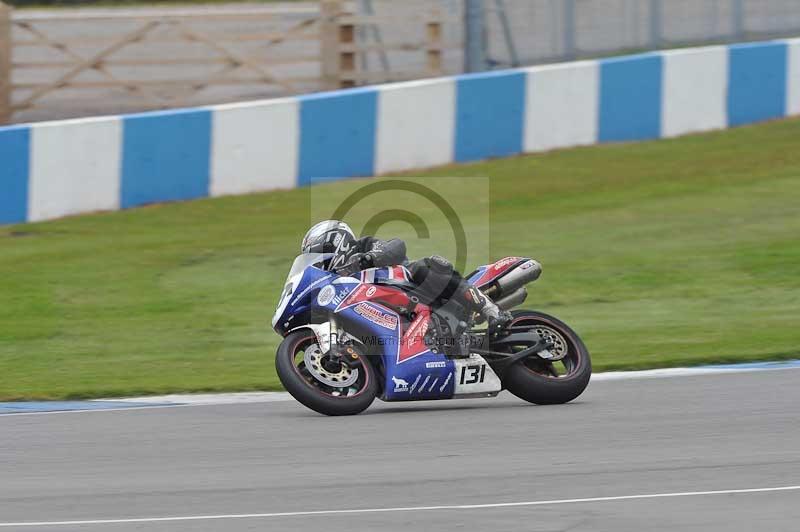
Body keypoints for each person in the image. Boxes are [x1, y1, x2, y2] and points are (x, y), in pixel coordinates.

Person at [300, 220, 512, 332]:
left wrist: (367, 259)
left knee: (424, 267)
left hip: (415, 289)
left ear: (338, 241)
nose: (321, 259)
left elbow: (396, 246)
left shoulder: (363, 245)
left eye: (322, 251)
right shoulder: (336, 281)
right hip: (394, 314)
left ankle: (491, 310)